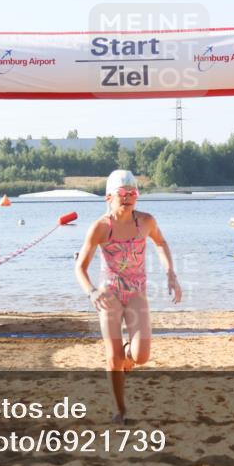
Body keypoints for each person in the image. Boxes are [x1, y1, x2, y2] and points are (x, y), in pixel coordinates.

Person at [75, 170, 183, 424]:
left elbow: (161, 243)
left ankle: (128, 354)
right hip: (109, 295)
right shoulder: (100, 228)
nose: (127, 198)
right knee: (112, 358)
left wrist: (171, 273)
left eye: (132, 193)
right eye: (122, 193)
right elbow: (80, 267)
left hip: (136, 293)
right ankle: (120, 410)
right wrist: (91, 291)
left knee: (141, 356)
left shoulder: (145, 222)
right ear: (109, 197)